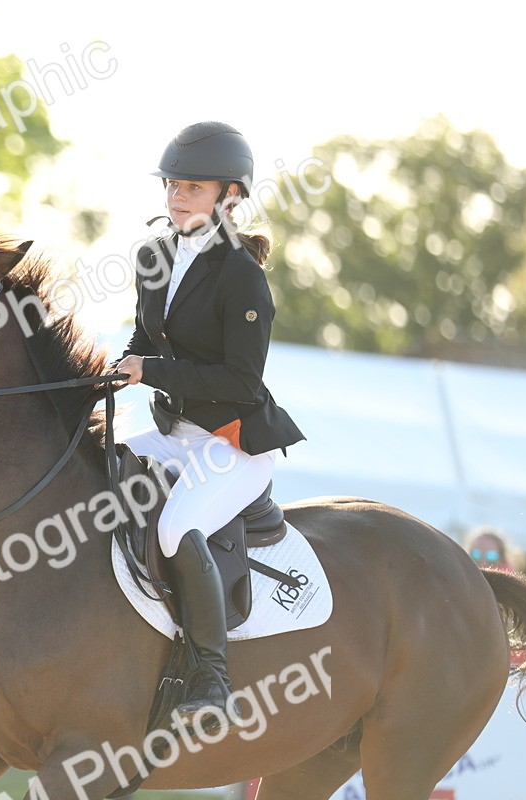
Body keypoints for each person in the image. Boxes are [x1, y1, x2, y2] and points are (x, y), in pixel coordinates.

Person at [111, 121, 306, 731]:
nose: (175, 196)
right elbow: (146, 341)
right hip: (174, 434)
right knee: (94, 470)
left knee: (176, 526)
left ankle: (211, 675)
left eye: (191, 187)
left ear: (229, 196)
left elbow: (240, 382)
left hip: (234, 442)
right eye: (172, 184)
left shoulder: (242, 274)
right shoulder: (155, 255)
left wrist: (151, 369)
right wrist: (114, 368)